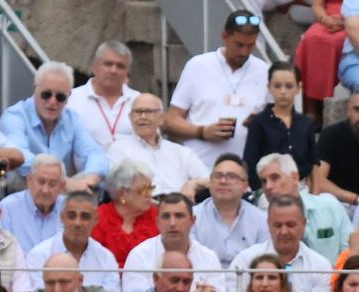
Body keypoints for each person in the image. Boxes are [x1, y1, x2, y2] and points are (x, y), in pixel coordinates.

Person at [162, 11, 270, 170]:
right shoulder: (197, 65)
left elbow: (280, 121)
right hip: (199, 171)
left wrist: (261, 122)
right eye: (239, 44)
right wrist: (203, 132)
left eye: (250, 45)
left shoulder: (265, 71)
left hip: (246, 175)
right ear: (225, 37)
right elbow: (169, 121)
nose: (244, 52)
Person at [0, 60, 108, 191]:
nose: (52, 101)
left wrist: (89, 180)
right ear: (35, 89)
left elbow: (94, 153)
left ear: (68, 97)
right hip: (23, 190)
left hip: (60, 192)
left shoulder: (72, 119)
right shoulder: (14, 116)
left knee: (97, 182)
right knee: (26, 175)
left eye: (60, 97)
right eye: (46, 94)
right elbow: (20, 157)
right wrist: (63, 182)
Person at [228, 193, 333, 292]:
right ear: (268, 224)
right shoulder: (245, 259)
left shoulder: (320, 266)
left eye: (290, 225)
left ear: (303, 225)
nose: (284, 232)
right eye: (278, 225)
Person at [14, 191, 119, 292]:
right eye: (72, 216)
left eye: (85, 217)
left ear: (96, 220)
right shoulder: (39, 254)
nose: (77, 223)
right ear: (62, 217)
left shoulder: (106, 258)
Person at [123, 192, 227, 292]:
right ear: (157, 222)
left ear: (192, 221)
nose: (172, 223)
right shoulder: (139, 255)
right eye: (166, 216)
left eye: (179, 216)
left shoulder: (208, 257)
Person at [242, 61, 318, 186]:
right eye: (277, 86)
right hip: (268, 189)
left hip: (301, 188)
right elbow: (250, 162)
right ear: (269, 87)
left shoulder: (306, 123)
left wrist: (315, 196)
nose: (283, 92)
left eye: (289, 86)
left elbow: (314, 161)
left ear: (298, 88)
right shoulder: (259, 123)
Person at [66, 40, 137, 150]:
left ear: (127, 71)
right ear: (94, 66)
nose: (114, 71)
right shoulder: (71, 100)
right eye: (108, 64)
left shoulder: (139, 101)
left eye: (120, 66)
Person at [91, 159, 158, 269]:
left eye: (151, 189)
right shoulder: (99, 217)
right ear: (123, 193)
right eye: (144, 190)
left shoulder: (156, 215)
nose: (149, 195)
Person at [0, 155, 66, 252]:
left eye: (52, 184)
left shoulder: (68, 208)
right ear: (29, 180)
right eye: (41, 182)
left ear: (62, 186)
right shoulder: (8, 208)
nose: (45, 190)